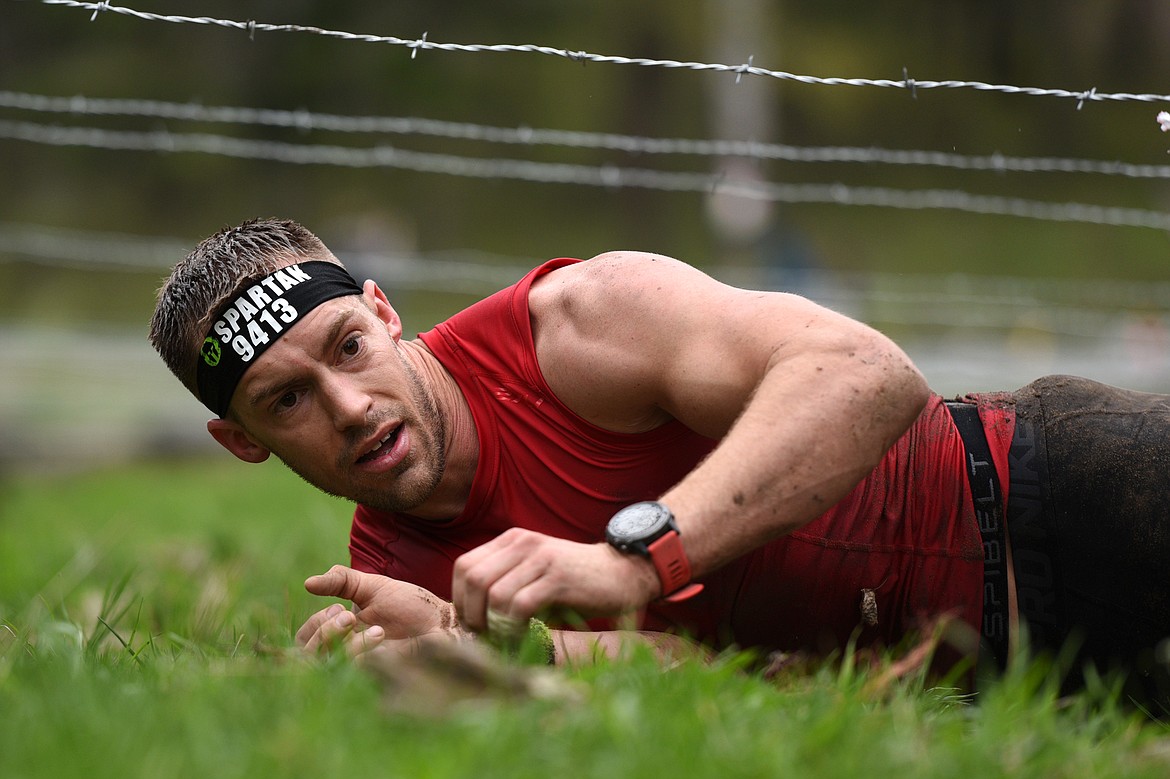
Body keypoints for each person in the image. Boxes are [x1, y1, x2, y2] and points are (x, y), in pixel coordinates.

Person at [150, 218, 1170, 705]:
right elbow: (712, 676)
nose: (350, 405)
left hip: (1048, 493)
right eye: (287, 399)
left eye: (347, 348)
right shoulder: (402, 576)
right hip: (999, 693)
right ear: (243, 441)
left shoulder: (579, 321)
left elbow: (866, 371)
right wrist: (504, 650)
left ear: (383, 310)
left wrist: (635, 559)